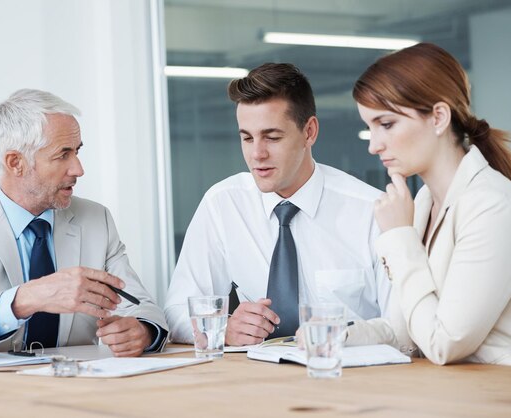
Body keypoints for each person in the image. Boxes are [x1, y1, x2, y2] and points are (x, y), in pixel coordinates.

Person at [0, 89, 168, 359]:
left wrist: (143, 331)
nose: (78, 169)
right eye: (63, 155)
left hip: (71, 386)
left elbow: (140, 304)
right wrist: (27, 298)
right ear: (16, 163)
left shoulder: (96, 220)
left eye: (77, 151)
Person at [165, 63, 398, 347]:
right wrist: (221, 329)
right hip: (257, 380)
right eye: (247, 138)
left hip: (347, 375)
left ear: (309, 132)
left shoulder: (371, 210)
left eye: (272, 137)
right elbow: (177, 311)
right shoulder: (224, 203)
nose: (256, 154)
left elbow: (400, 328)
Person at [353, 42, 511, 366]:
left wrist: (400, 238)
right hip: (447, 395)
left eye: (386, 124)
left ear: (438, 117)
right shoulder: (425, 200)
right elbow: (408, 331)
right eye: (369, 127)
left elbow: (443, 343)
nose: (373, 145)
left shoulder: (492, 205)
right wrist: (332, 334)